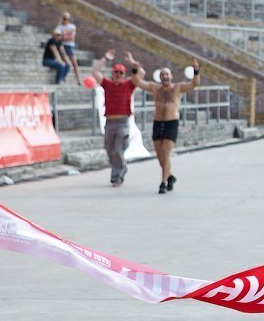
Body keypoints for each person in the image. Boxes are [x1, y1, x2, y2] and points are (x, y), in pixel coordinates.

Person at [128, 55, 201, 194]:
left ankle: (163, 182)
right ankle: (171, 176)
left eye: (167, 74)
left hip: (171, 122)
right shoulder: (155, 88)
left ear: (171, 76)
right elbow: (137, 81)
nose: (165, 76)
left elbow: (194, 84)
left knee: (166, 153)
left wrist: (196, 71)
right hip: (158, 122)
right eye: (162, 74)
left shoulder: (178, 88)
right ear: (159, 77)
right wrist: (134, 67)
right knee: (160, 155)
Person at [90, 50, 137, 187]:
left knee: (118, 150)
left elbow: (140, 75)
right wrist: (105, 58)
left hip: (122, 122)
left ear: (123, 75)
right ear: (113, 73)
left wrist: (132, 62)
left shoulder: (129, 85)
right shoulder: (107, 84)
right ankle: (120, 168)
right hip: (110, 122)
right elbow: (95, 71)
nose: (118, 75)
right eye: (116, 72)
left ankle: (117, 176)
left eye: (120, 73)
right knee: (109, 149)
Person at [54, 12, 81, 85]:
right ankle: (63, 78)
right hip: (62, 46)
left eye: (67, 19)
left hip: (70, 46)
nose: (65, 20)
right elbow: (57, 37)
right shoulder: (59, 27)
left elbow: (72, 38)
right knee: (65, 63)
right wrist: (64, 37)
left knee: (74, 63)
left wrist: (63, 37)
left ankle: (79, 80)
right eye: (64, 18)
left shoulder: (72, 26)